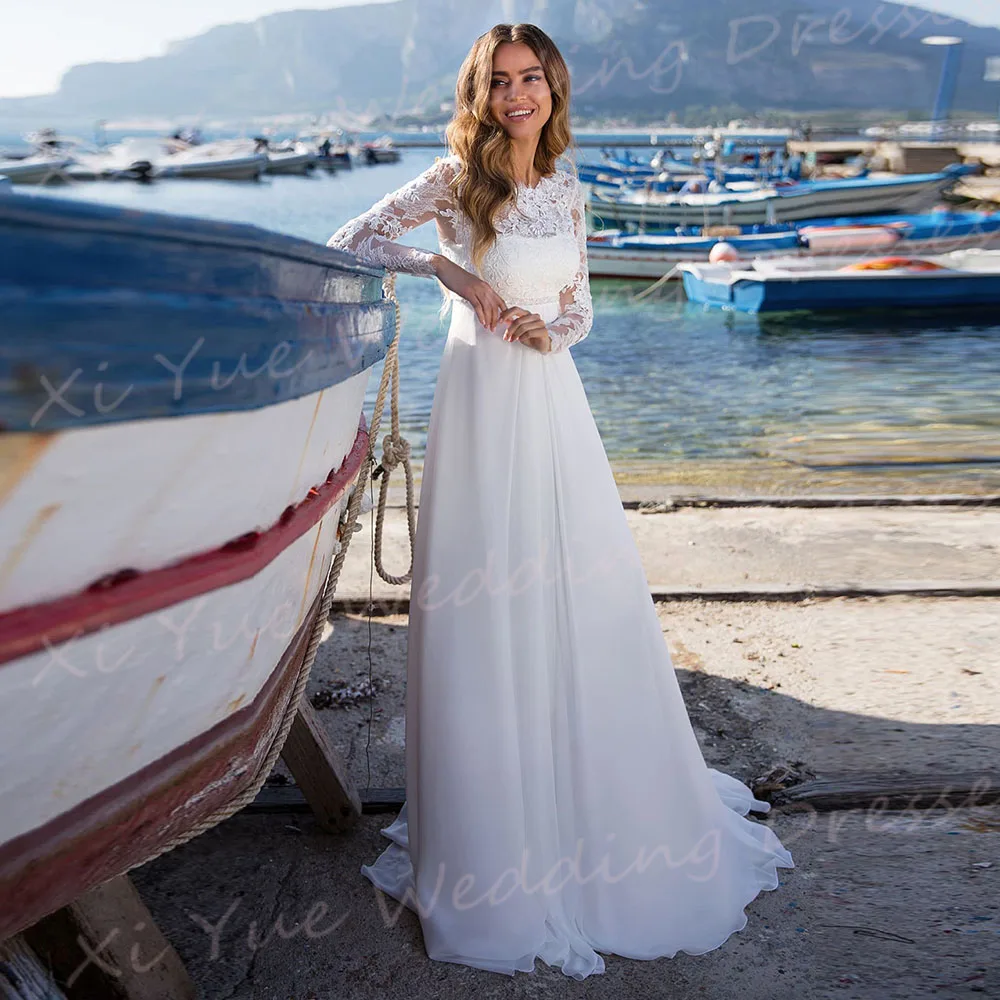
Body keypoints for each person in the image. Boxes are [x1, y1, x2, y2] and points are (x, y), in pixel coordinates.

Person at [325, 22, 794, 981]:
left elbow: (581, 306)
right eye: (498, 82)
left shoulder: (572, 181)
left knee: (578, 594)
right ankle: (493, 834)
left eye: (530, 78)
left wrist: (552, 329)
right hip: (477, 402)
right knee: (487, 597)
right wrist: (449, 270)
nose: (516, 95)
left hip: (549, 402)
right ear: (479, 92)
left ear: (554, 85)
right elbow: (353, 239)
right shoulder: (456, 180)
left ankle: (596, 810)